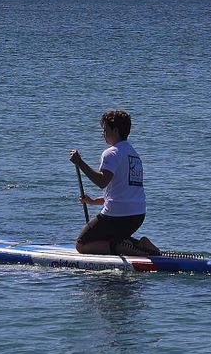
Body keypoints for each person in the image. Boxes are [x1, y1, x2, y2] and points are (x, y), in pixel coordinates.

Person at [69, 109, 161, 257]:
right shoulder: (134, 155)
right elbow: (123, 193)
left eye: (105, 130)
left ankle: (120, 247)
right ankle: (138, 244)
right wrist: (93, 201)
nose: (103, 133)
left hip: (117, 217)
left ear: (116, 130)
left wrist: (80, 163)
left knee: (82, 244)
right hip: (137, 216)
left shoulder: (112, 153)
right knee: (108, 235)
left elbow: (102, 182)